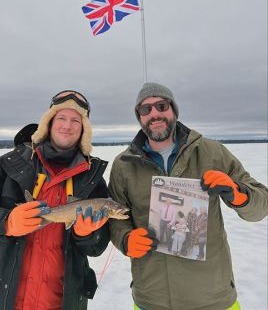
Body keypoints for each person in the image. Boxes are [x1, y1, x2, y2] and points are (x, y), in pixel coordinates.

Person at [108, 82, 268, 310]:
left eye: (161, 106)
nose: (154, 114)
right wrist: (125, 239)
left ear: (173, 110)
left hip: (212, 298)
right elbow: (115, 216)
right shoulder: (123, 165)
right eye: (146, 109)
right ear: (139, 117)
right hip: (151, 298)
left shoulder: (212, 152)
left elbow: (261, 206)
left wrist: (238, 194)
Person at [0, 90, 110, 310]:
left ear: (84, 130)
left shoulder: (93, 179)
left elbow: (97, 245)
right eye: (61, 118)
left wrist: (86, 235)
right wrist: (6, 222)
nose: (67, 125)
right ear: (49, 123)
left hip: (57, 302)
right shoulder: (9, 163)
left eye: (76, 120)